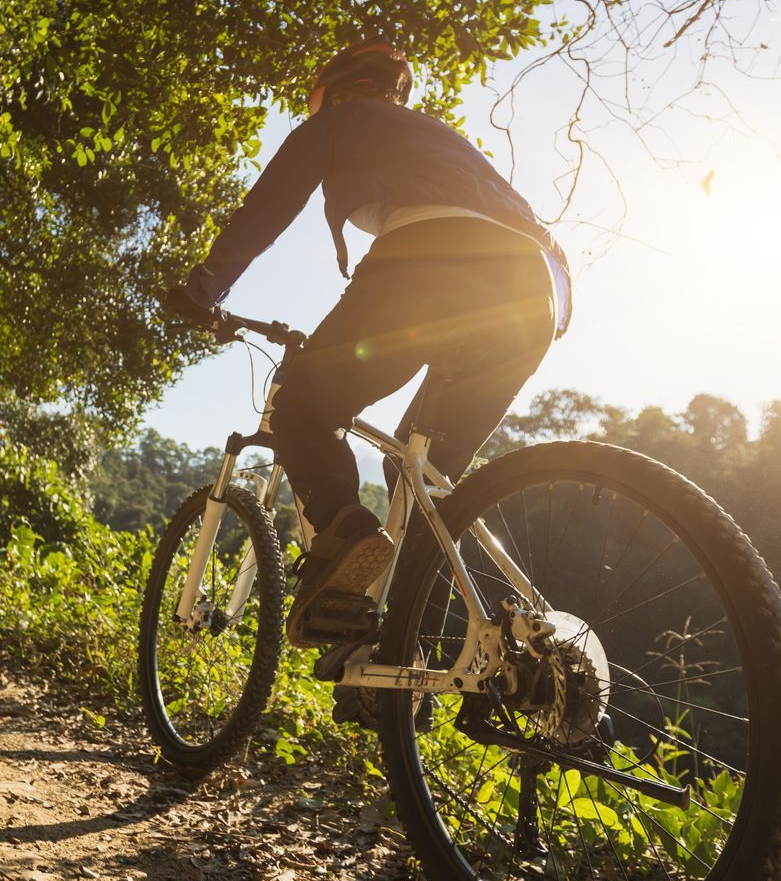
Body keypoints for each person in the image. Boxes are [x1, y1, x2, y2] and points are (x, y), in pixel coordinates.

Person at [166, 38, 571, 654]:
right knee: (421, 480)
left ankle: (343, 531)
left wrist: (204, 289)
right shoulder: (452, 146)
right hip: (532, 294)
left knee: (300, 401)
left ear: (334, 90)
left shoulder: (342, 120)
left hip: (431, 262)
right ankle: (406, 660)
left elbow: (267, 207)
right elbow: (547, 248)